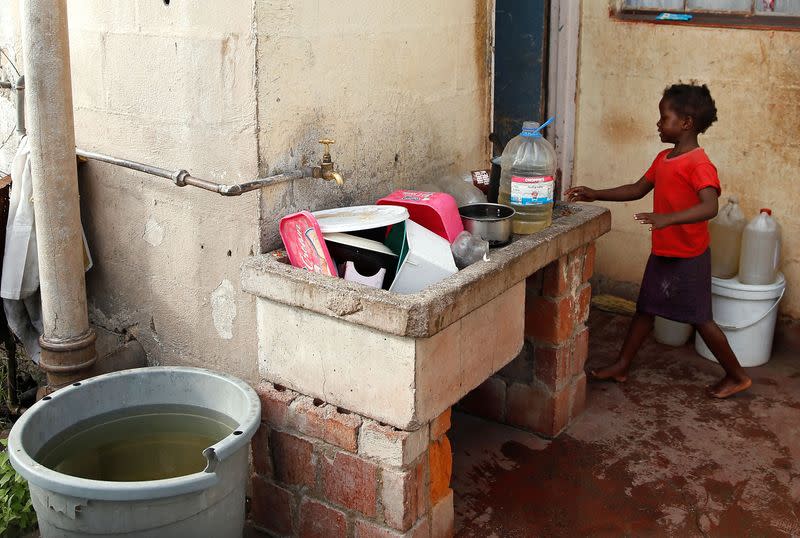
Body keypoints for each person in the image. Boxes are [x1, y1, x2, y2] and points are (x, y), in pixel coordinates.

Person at [565, 83, 751, 399]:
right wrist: (597, 193)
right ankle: (622, 364)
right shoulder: (664, 158)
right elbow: (637, 189)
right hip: (665, 251)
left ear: (686, 123)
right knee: (645, 309)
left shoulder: (698, 163)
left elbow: (710, 206)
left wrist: (668, 219)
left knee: (702, 321)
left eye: (664, 117)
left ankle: (736, 375)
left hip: (689, 256)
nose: (658, 124)